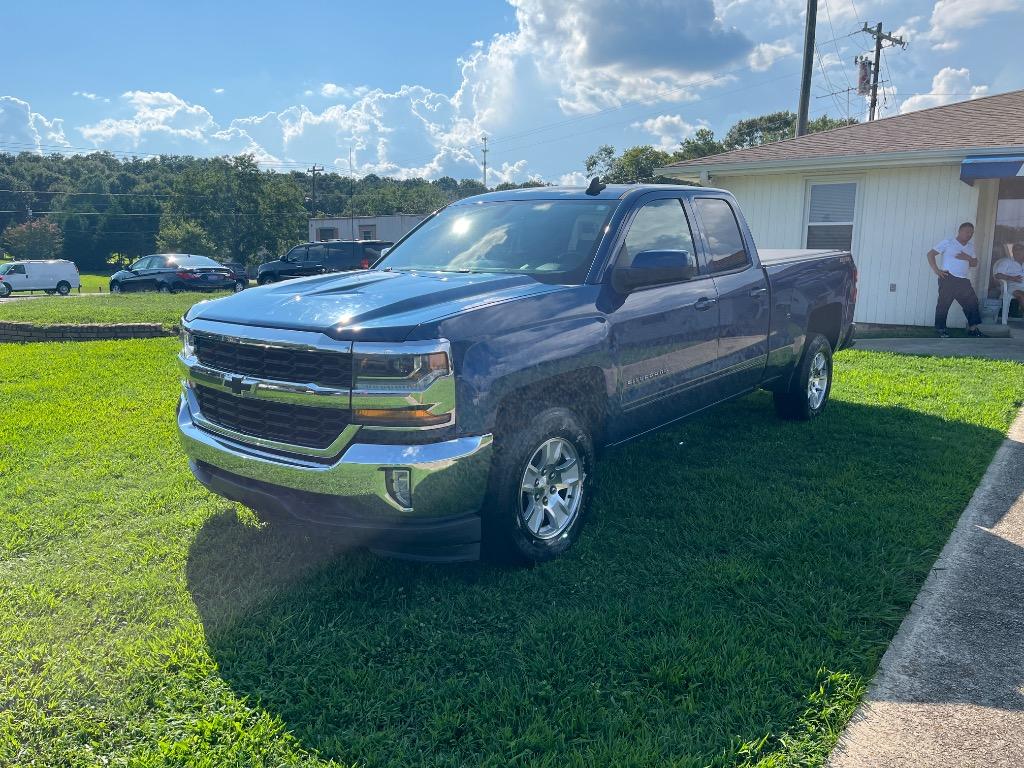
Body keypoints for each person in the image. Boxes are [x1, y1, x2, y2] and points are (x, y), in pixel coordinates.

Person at [927, 222, 986, 338]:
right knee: (944, 304)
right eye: (967, 232)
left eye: (971, 233)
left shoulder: (970, 246)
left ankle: (973, 330)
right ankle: (940, 330)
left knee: (972, 302)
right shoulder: (948, 242)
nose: (969, 234)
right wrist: (937, 270)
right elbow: (930, 254)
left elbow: (974, 263)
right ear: (960, 231)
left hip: (963, 280)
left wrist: (968, 258)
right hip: (948, 277)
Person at [993, 243, 1024, 316]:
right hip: (1013, 286)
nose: (1018, 251)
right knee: (1022, 295)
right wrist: (1012, 278)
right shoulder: (1006, 262)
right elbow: (997, 275)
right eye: (1016, 249)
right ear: (1013, 251)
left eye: (1021, 249)